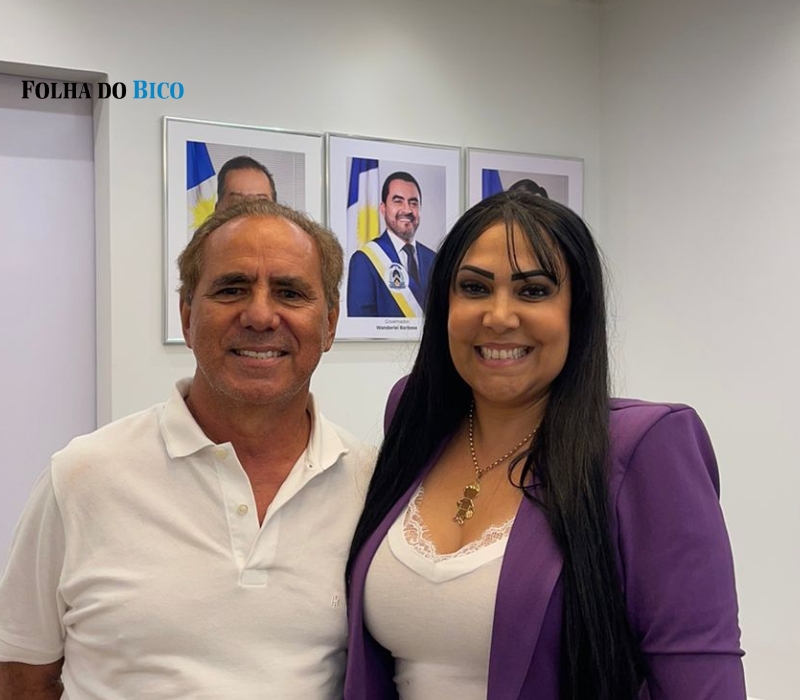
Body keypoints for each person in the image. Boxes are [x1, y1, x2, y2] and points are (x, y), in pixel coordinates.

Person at [344, 190, 746, 699]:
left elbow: (702, 679)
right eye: (474, 288)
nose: (499, 316)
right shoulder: (415, 414)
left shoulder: (646, 447)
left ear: (578, 311)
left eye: (533, 291)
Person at [0, 199, 374, 699]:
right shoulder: (82, 477)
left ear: (329, 323)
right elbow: (22, 675)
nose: (260, 315)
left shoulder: (372, 485)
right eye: (232, 288)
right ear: (186, 316)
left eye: (289, 292)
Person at [346, 171, 436, 318]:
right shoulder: (364, 260)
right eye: (398, 201)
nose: (407, 210)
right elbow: (361, 322)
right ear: (383, 208)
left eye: (413, 203)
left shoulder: (434, 259)